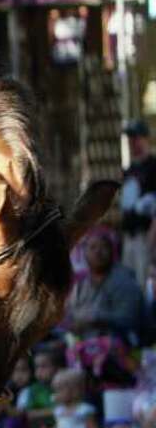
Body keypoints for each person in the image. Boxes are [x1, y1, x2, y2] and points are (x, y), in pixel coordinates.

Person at [63, 226, 146, 343]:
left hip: (119, 343)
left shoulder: (125, 281)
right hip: (81, 343)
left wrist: (98, 319)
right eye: (93, 247)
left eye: (104, 247)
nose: (98, 251)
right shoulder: (81, 284)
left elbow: (130, 320)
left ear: (112, 251)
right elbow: (69, 315)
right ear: (84, 253)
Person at [121, 119, 156, 281]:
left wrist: (152, 236)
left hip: (147, 235)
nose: (132, 143)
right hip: (130, 235)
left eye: (136, 138)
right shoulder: (129, 171)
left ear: (145, 138)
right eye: (129, 139)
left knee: (145, 282)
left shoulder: (153, 166)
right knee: (130, 282)